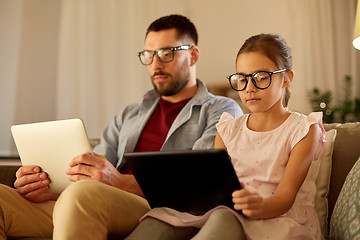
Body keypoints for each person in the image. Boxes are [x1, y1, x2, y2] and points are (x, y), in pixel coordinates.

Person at [0, 14, 242, 239]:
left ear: (194, 55)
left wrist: (121, 183)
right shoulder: (130, 114)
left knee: (81, 196)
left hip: (155, 207)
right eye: (149, 55)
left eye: (166, 53)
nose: (155, 64)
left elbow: (201, 182)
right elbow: (96, 169)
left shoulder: (221, 110)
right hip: (89, 202)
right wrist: (48, 185)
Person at [127, 33, 326, 240]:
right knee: (159, 218)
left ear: (286, 78)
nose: (249, 88)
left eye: (261, 78)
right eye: (242, 79)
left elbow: (285, 197)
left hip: (278, 220)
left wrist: (258, 205)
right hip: (226, 212)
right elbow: (214, 185)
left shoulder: (303, 129)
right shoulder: (228, 129)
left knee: (223, 217)